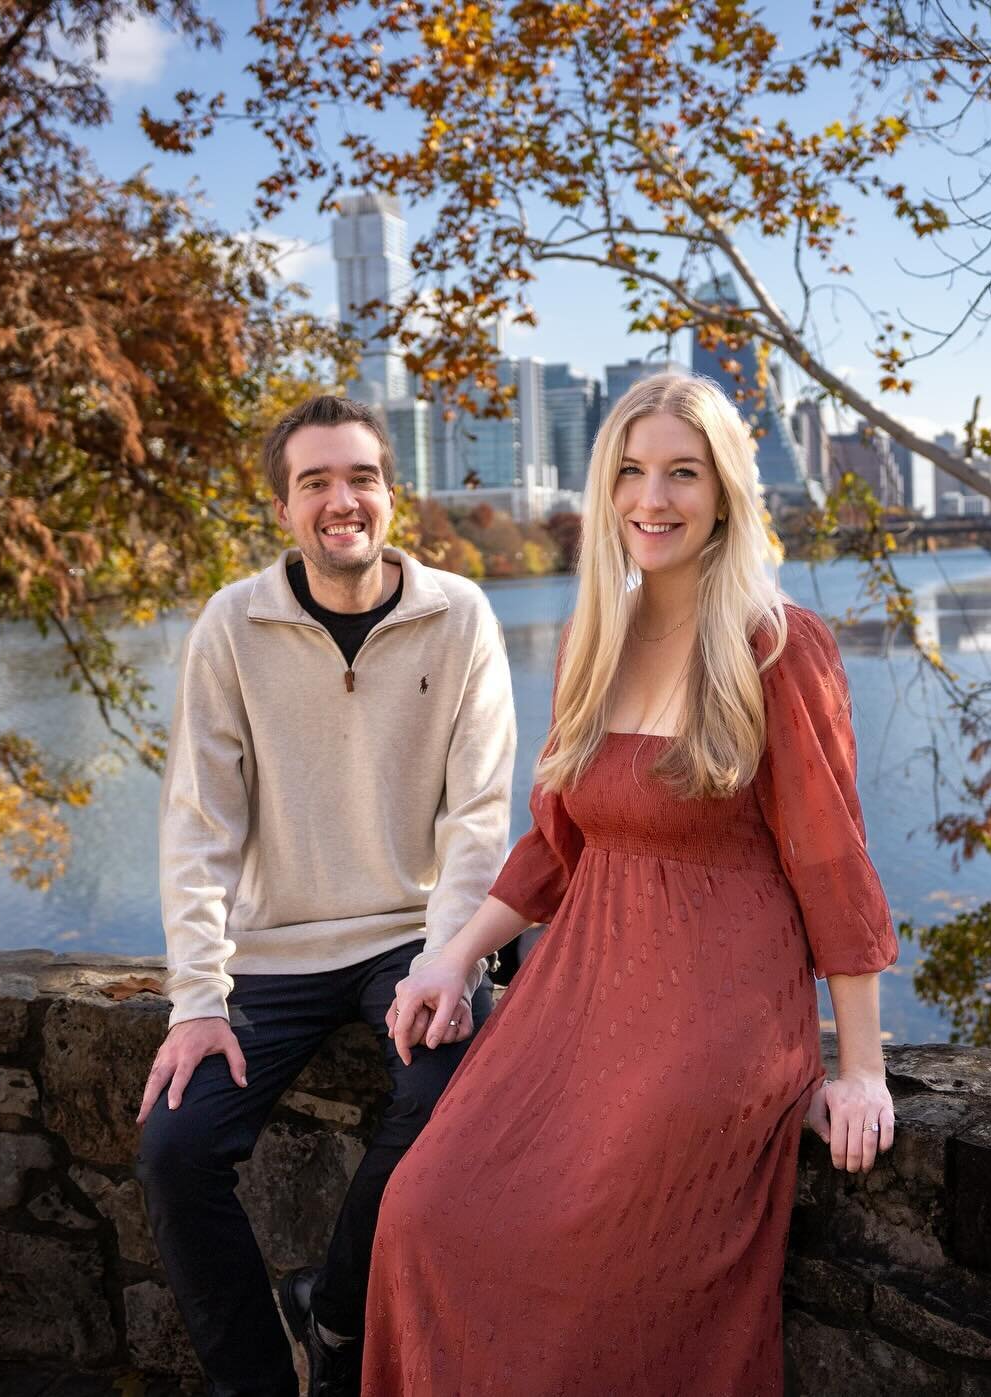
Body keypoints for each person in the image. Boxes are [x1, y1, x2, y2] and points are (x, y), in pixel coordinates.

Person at [364, 372, 898, 1395]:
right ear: (606, 489)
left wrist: (860, 1064)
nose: (654, 497)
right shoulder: (591, 641)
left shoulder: (778, 647)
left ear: (727, 493)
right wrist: (453, 956)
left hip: (721, 1009)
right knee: (424, 1207)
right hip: (578, 994)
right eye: (632, 470)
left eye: (682, 473)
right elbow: (555, 844)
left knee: (595, 1257)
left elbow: (835, 867)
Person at [135, 395, 515, 1397]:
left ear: (393, 494)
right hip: (274, 947)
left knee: (446, 1101)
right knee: (174, 1145)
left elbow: (478, 818)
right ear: (284, 506)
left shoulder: (461, 614)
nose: (341, 501)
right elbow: (199, 827)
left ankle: (336, 1313)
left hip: (414, 937)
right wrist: (198, 999)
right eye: (316, 483)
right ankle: (257, 1382)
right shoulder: (233, 623)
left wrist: (450, 959)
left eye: (361, 478)